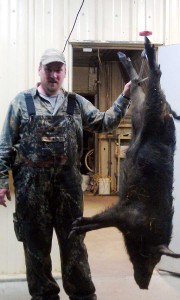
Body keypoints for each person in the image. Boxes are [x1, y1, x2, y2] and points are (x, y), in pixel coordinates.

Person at [0, 48, 131, 300]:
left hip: (68, 193)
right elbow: (5, 145)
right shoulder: (21, 102)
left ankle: (82, 295)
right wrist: (2, 181)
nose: (54, 74)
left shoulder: (76, 103)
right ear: (39, 71)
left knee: (74, 247)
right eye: (49, 69)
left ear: (65, 72)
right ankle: (44, 296)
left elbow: (104, 122)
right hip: (31, 194)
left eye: (58, 69)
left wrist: (124, 97)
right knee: (36, 250)